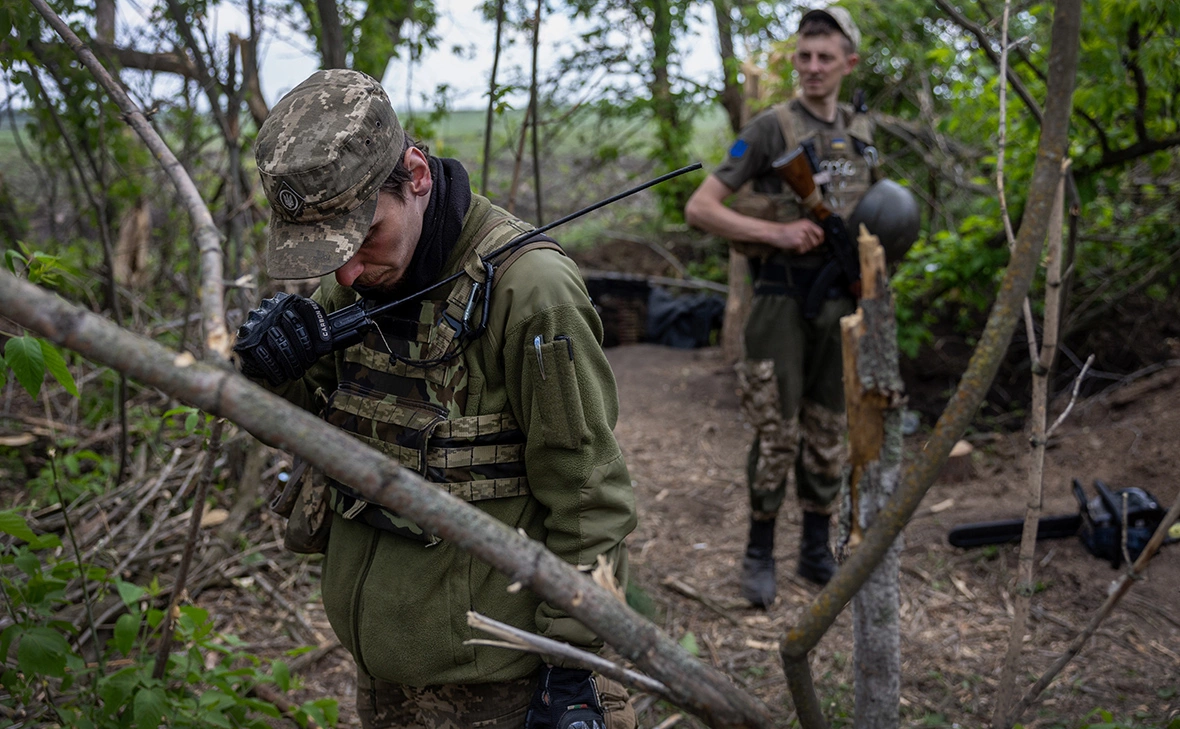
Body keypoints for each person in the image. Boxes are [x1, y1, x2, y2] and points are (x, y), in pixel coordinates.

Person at [233, 68, 637, 729]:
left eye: (363, 237)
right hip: (384, 680)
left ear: (415, 175)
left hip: (504, 691)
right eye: (326, 252)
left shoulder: (531, 291)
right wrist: (273, 373)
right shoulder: (350, 289)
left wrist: (569, 671)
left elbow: (590, 493)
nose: (346, 273)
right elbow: (326, 439)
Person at [684, 7, 878, 606]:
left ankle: (816, 550)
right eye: (804, 56)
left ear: (849, 62)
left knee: (828, 428)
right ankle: (759, 553)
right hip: (779, 300)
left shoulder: (861, 130)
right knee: (776, 431)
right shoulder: (771, 128)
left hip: (840, 302)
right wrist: (778, 235)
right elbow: (701, 207)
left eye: (825, 57)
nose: (812, 68)